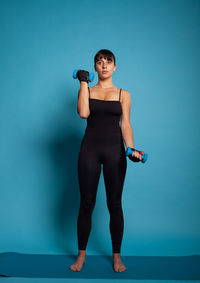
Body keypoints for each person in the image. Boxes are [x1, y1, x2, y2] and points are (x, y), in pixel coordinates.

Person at [70, 49, 144, 273]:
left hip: (114, 151)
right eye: (99, 62)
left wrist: (130, 148)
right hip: (89, 150)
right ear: (94, 68)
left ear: (114, 67)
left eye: (108, 62)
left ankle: (117, 257)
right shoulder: (88, 89)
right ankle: (81, 256)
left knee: (115, 205)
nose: (104, 65)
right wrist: (83, 83)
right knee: (87, 203)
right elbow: (83, 113)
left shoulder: (124, 94)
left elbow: (126, 124)